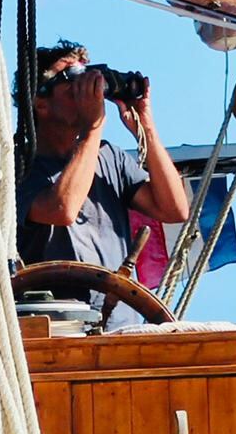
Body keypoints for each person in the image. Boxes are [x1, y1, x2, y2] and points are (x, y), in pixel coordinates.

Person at [16, 40, 190, 328]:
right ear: (41, 103)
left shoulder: (108, 156)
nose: (87, 89)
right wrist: (92, 128)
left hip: (118, 325)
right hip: (53, 330)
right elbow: (62, 209)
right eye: (72, 80)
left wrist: (145, 126)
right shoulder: (15, 163)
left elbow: (175, 209)